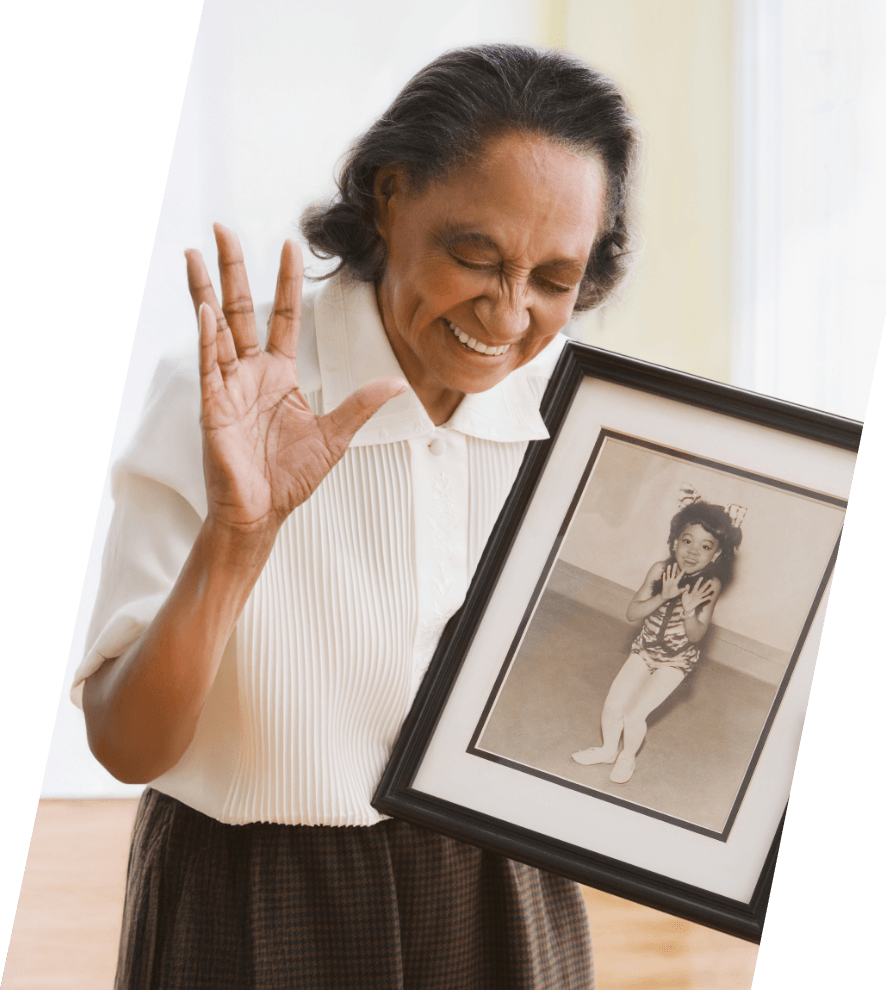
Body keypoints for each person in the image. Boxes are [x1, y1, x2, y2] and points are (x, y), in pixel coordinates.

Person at [73, 44, 643, 989]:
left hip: (500, 891)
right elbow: (127, 745)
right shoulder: (225, 397)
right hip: (251, 893)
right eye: (476, 256)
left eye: (553, 278)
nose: (508, 316)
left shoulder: (580, 420)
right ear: (389, 194)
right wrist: (236, 538)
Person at [572, 502, 742, 785]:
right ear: (675, 541)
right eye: (687, 541)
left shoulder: (708, 586)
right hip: (645, 649)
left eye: (704, 546)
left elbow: (697, 636)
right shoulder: (659, 570)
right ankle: (607, 750)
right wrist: (663, 596)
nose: (692, 551)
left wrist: (689, 609)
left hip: (676, 660)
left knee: (635, 713)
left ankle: (627, 757)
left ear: (717, 554)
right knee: (613, 705)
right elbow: (631, 613)